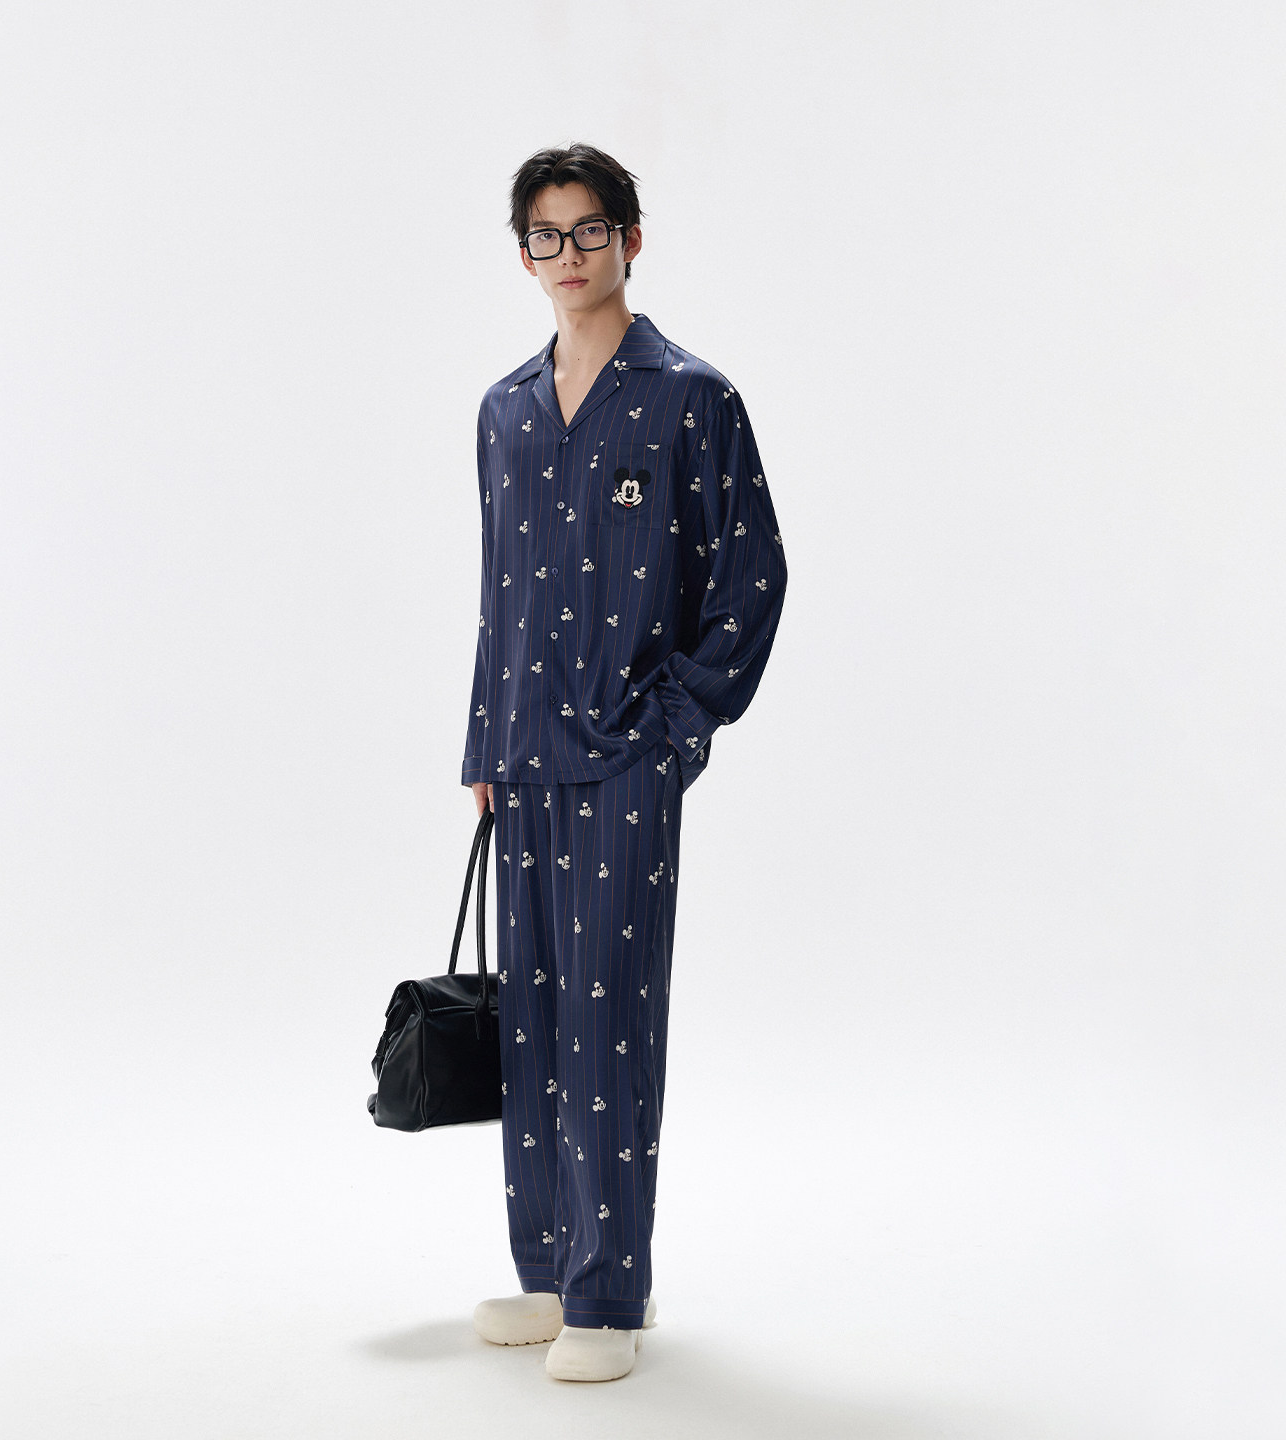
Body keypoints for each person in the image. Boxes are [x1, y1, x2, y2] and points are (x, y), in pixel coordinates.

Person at [461, 142, 788, 1382]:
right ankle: (551, 1274)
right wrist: (481, 742)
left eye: (589, 230)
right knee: (534, 1021)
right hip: (523, 757)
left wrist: (675, 726)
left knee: (608, 1020)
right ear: (524, 253)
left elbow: (752, 577)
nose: (568, 255)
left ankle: (609, 1294)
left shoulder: (690, 398)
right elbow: (498, 589)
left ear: (630, 240)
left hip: (625, 763)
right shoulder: (503, 409)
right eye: (545, 236)